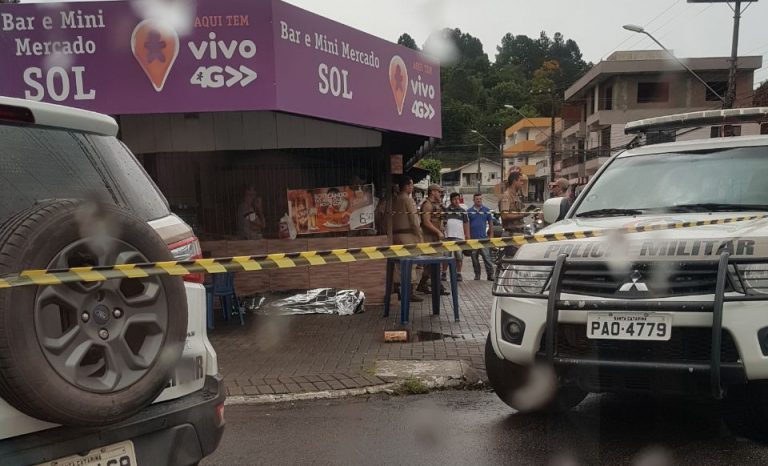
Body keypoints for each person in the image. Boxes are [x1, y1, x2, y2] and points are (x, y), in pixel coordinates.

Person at [391, 176, 423, 302]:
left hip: (395, 235)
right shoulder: (408, 200)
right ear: (407, 186)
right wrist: (419, 235)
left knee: (398, 265)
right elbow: (414, 221)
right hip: (408, 236)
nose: (412, 187)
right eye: (412, 185)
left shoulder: (394, 199)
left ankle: (397, 290)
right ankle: (409, 292)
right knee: (411, 264)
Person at [419, 184, 448, 295]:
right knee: (433, 262)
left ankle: (423, 284)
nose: (440, 194)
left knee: (432, 263)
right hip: (428, 237)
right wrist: (438, 232)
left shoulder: (436, 205)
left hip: (435, 237)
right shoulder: (427, 205)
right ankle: (437, 287)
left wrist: (441, 228)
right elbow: (426, 222)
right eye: (438, 192)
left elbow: (437, 220)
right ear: (432, 192)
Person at [468, 193, 495, 281]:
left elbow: (491, 224)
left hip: (484, 238)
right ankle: (477, 275)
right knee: (474, 259)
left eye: (480, 199)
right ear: (474, 200)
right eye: (477, 199)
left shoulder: (486, 210)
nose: (479, 200)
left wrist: (491, 236)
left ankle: (490, 275)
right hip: (473, 239)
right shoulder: (469, 211)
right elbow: (466, 225)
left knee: (487, 258)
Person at [444, 192, 470, 281]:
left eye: (458, 199)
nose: (456, 201)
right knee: (446, 256)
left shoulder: (463, 211)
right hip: (447, 237)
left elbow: (466, 223)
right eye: (455, 199)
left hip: (459, 237)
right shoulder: (446, 210)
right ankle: (444, 273)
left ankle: (458, 273)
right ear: (451, 200)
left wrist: (467, 236)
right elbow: (442, 223)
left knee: (459, 256)